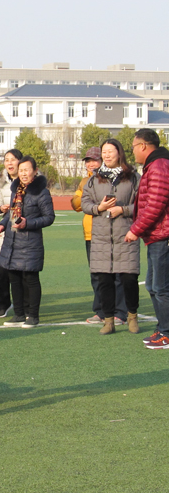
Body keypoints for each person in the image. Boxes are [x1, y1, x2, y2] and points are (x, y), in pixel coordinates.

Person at [81, 138, 140, 335]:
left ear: (119, 153)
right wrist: (100, 208)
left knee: (129, 279)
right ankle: (108, 320)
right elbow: (85, 203)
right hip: (101, 237)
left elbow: (142, 205)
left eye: (110, 151)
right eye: (104, 152)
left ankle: (131, 315)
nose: (106, 155)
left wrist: (122, 210)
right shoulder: (94, 178)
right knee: (104, 280)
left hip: (126, 235)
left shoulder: (132, 177)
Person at [0, 156, 55, 329]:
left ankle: (33, 315)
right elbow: (11, 214)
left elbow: (49, 217)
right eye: (21, 170)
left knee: (30, 278)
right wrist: (2, 224)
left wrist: (27, 223)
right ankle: (19, 314)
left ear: (35, 172)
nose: (23, 173)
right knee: (14, 278)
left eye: (27, 170)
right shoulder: (17, 190)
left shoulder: (42, 192)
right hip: (12, 241)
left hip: (30, 242)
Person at [73, 148, 128, 326]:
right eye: (88, 160)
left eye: (94, 160)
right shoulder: (86, 181)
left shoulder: (117, 178)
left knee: (118, 273)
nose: (91, 164)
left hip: (114, 232)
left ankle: (120, 312)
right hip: (92, 234)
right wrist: (92, 201)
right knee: (98, 275)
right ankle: (101, 310)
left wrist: (94, 203)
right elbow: (76, 204)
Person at [125, 129, 169, 349]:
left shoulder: (159, 166)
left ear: (142, 145)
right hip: (157, 236)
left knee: (160, 287)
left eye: (133, 146)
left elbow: (156, 204)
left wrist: (136, 229)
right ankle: (163, 329)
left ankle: (166, 333)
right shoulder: (155, 165)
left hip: (163, 236)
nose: (132, 151)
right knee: (153, 285)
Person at [0, 149, 22, 318]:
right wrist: (0, 209)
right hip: (6, 229)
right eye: (6, 160)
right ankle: (4, 303)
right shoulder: (1, 181)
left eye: (13, 160)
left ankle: (25, 304)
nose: (9, 163)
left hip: (23, 230)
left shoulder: (27, 181)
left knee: (22, 269)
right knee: (1, 268)